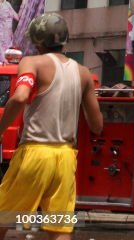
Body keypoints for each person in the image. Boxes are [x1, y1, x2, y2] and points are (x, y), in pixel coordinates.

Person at [0, 12, 103, 238]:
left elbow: (19, 97)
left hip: (35, 154)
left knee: (3, 217)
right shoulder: (84, 73)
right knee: (59, 227)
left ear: (37, 41)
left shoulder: (32, 62)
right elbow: (97, 125)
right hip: (66, 158)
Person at [0, 0, 19, 64]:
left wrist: (24, 3)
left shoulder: (7, 4)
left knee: (7, 59)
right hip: (1, 36)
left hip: (8, 36)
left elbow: (17, 17)